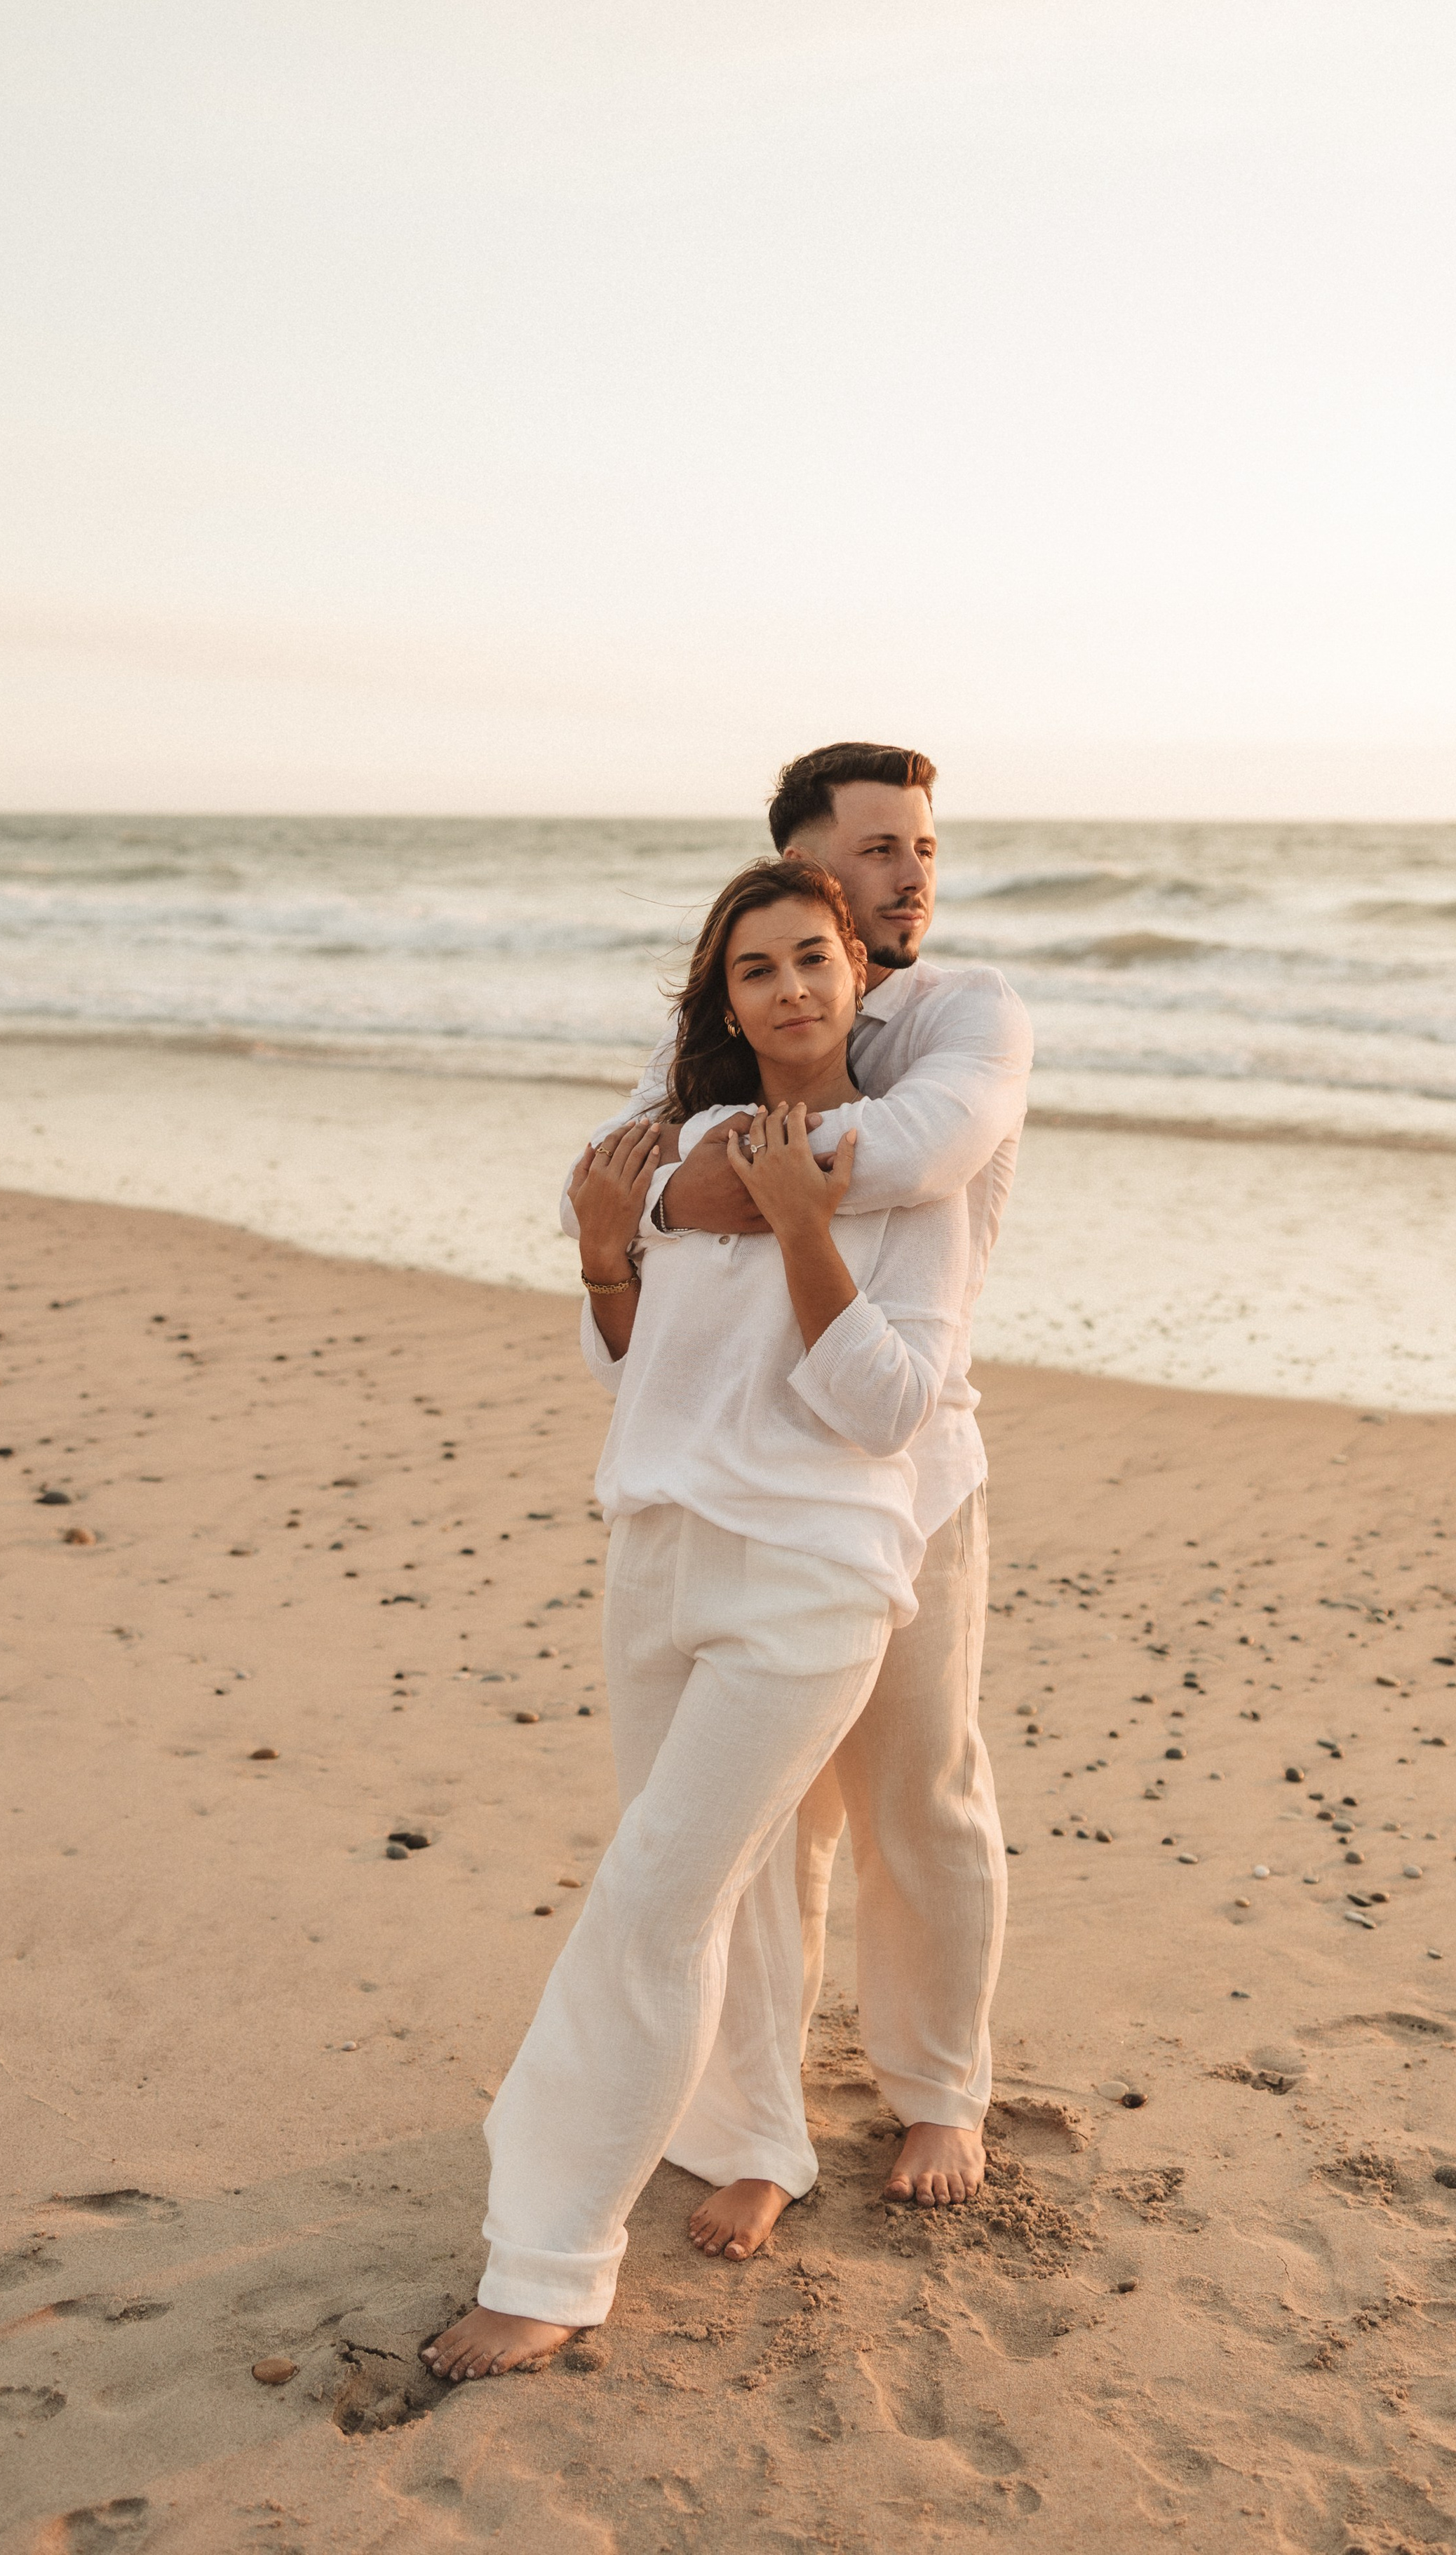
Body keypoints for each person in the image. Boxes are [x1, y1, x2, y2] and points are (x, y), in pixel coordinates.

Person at [423, 855, 972, 2380]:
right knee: (702, 1892)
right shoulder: (681, 1144)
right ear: (721, 998)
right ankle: (752, 2138)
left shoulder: (899, 1175)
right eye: (757, 968)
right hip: (657, 1550)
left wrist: (803, 1227)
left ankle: (543, 2262)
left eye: (814, 958)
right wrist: (609, 1248)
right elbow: (631, 1372)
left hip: (808, 1577)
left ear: (859, 974)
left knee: (652, 1896)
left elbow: (884, 1412)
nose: (790, 987)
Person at [567, 744, 1032, 2212]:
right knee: (762, 1830)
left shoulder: (965, 1009)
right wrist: (653, 1194)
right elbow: (609, 1166)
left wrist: (683, 1187)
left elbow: (905, 1149)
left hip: (911, 1463)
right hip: (747, 1479)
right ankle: (753, 2122)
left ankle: (934, 2090)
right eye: (881, 849)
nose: (916, 875)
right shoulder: (744, 999)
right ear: (808, 865)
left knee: (920, 1795)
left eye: (924, 847)